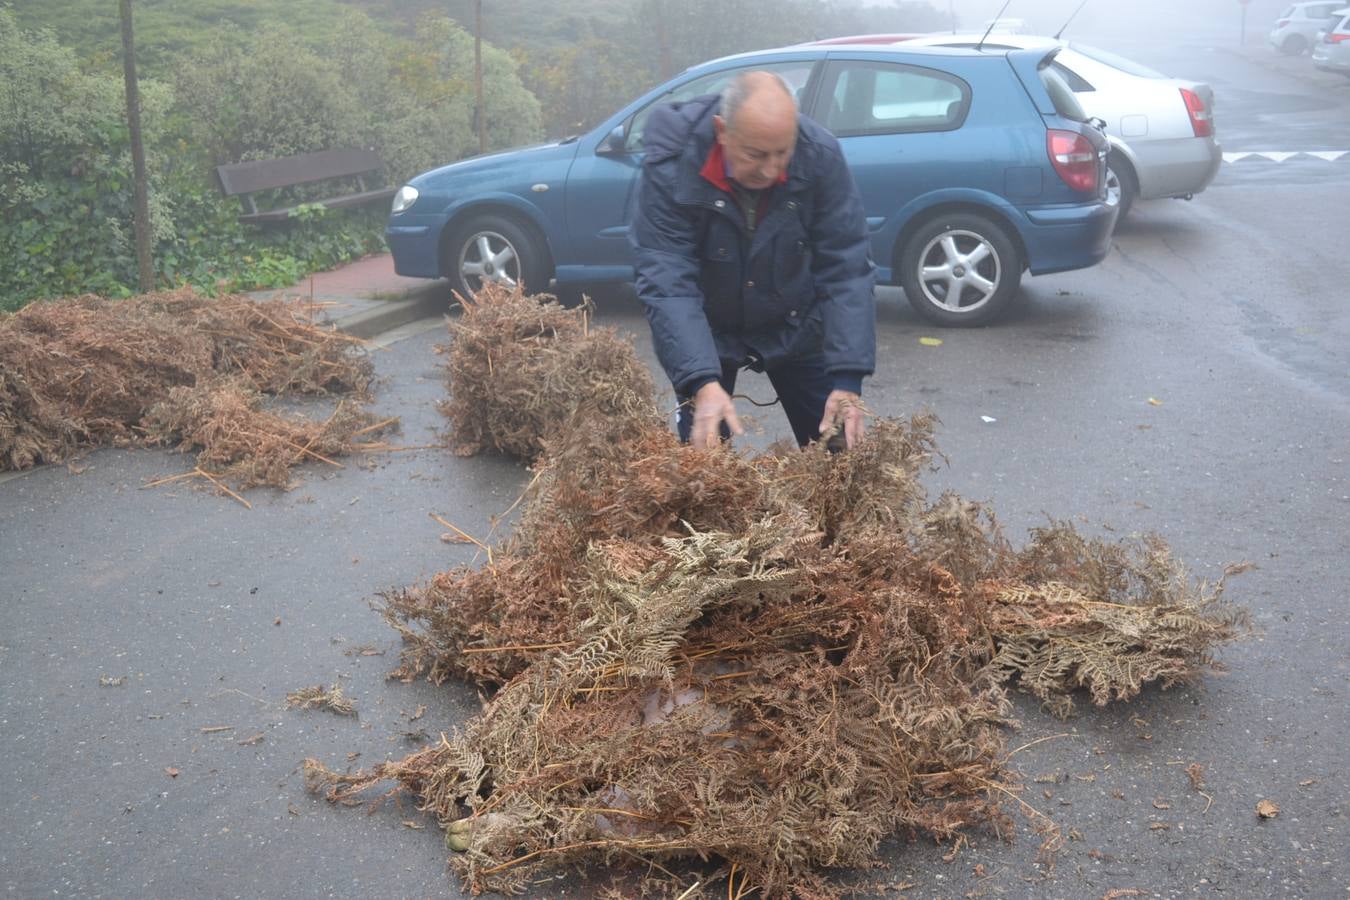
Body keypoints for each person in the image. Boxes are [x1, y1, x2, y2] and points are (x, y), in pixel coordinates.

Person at [629, 70, 876, 450]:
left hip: (796, 316)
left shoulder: (818, 154)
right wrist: (700, 381)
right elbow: (667, 279)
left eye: (782, 152)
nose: (770, 169)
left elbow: (846, 266)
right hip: (708, 328)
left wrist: (847, 379)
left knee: (840, 451)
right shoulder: (673, 163)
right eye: (755, 154)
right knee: (702, 468)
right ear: (722, 131)